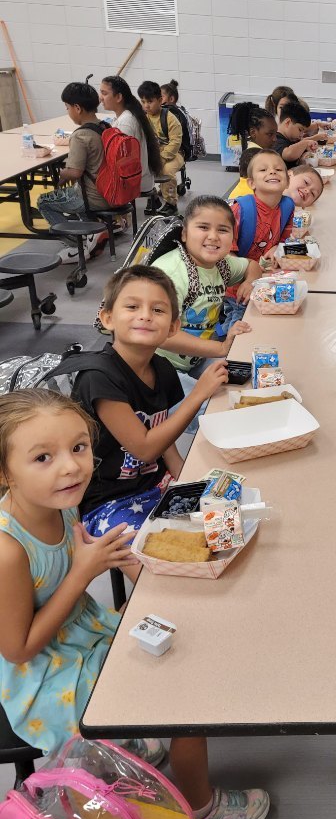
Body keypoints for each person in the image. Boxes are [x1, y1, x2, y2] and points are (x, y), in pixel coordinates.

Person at [0, 389, 270, 819]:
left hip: (78, 629)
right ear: (5, 472)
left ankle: (131, 738)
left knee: (181, 627)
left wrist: (143, 565)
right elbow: (18, 648)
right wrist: (84, 573)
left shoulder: (59, 502)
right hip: (45, 673)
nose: (70, 466)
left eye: (78, 448)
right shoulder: (8, 551)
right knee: (185, 695)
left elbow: (82, 550)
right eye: (43, 457)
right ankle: (201, 814)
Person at [72, 265, 229, 535]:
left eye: (158, 310)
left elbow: (161, 434)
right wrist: (199, 393)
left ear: (173, 327)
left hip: (155, 483)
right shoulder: (98, 378)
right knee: (153, 564)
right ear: (107, 318)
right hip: (108, 501)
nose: (145, 316)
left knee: (223, 525)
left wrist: (182, 472)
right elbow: (144, 448)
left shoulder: (162, 370)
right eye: (132, 307)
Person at [151, 196, 259, 392]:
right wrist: (221, 348)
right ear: (184, 234)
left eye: (223, 230)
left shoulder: (221, 264)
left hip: (197, 359)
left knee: (248, 379)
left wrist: (250, 281)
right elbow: (161, 335)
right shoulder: (171, 273)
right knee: (209, 404)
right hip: (157, 367)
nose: (213, 236)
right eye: (203, 227)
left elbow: (252, 265)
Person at [36, 82, 109, 264]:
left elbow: (75, 172)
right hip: (111, 190)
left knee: (44, 201)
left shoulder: (80, 135)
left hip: (91, 196)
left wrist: (62, 172)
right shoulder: (105, 126)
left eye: (67, 107)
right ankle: (92, 233)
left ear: (77, 108)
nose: (67, 111)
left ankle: (77, 246)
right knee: (70, 194)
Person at [100, 75, 163, 207]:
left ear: (118, 97)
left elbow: (120, 162)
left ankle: (113, 220)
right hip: (141, 177)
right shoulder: (127, 115)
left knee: (90, 182)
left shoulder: (126, 122)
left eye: (104, 93)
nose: (101, 98)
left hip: (136, 181)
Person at [138, 80, 184, 216]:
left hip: (174, 154)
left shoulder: (170, 119)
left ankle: (171, 204)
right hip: (153, 153)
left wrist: (162, 158)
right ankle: (153, 199)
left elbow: (176, 142)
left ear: (160, 100)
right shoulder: (143, 118)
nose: (146, 106)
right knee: (142, 170)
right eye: (143, 102)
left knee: (166, 171)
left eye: (150, 102)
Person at [273, 100, 317, 168]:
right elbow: (288, 154)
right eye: (300, 130)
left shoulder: (290, 140)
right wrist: (305, 143)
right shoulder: (276, 140)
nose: (301, 134)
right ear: (287, 122)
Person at [160, 79, 193, 163]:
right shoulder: (180, 110)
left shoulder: (171, 113)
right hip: (183, 148)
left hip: (179, 150)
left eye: (161, 97)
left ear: (171, 99)